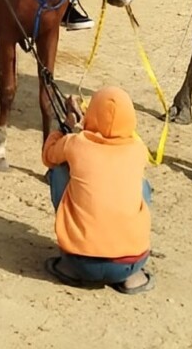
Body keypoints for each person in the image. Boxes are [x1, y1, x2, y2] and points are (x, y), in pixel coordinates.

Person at [42, 85, 154, 295]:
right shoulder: (139, 150)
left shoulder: (75, 143)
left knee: (58, 172)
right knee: (141, 186)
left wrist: (66, 127)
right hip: (130, 263)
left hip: (80, 263)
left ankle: (69, 267)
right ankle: (131, 277)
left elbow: (48, 156)